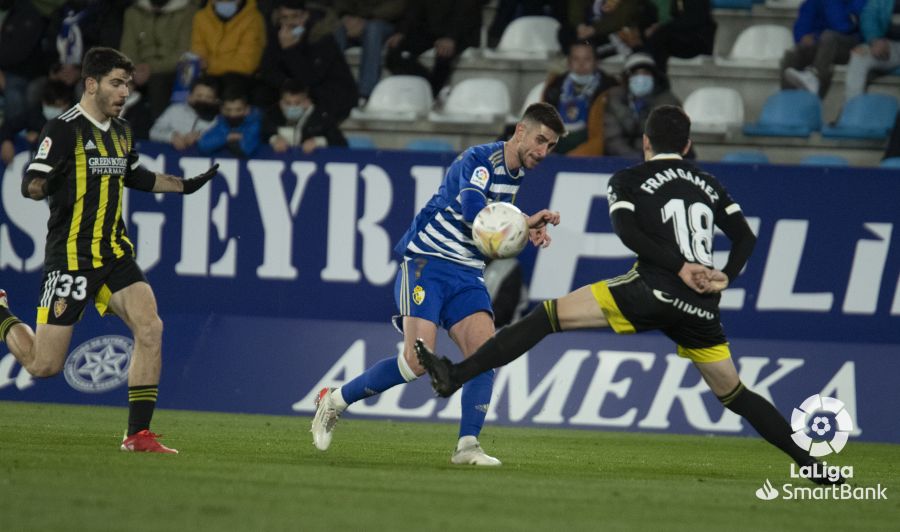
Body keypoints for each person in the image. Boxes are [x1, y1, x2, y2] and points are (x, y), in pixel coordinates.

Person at [415, 105, 843, 485]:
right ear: (688, 144)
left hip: (653, 288)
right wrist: (725, 276)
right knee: (735, 393)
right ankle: (810, 463)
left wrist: (676, 267)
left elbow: (627, 231)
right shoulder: (708, 183)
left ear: (645, 142)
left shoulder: (630, 178)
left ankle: (455, 377)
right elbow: (745, 238)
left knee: (545, 317)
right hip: (700, 307)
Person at [310, 103, 566, 465]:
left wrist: (526, 224)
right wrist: (517, 225)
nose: (543, 152)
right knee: (415, 362)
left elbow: (493, 222)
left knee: (486, 355)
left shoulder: (514, 173)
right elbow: (473, 209)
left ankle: (467, 446)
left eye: (551, 146)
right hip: (427, 264)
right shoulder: (479, 160)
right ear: (520, 131)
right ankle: (333, 400)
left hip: (466, 271)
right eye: (540, 140)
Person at [0, 47, 219, 453]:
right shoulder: (62, 129)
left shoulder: (121, 130)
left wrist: (182, 185)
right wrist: (43, 184)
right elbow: (31, 181)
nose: (124, 92)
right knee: (44, 366)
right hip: (70, 259)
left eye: (128, 85)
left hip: (114, 253)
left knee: (150, 328)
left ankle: (138, 435)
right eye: (116, 84)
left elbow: (133, 174)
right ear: (91, 84)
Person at [256, 0, 357, 120]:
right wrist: (287, 85)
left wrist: (290, 50)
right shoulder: (276, 33)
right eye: (285, 17)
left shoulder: (320, 35)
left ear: (306, 15)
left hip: (326, 91)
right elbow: (268, 69)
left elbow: (311, 77)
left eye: (295, 16)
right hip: (290, 88)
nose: (290, 22)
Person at [384, 0, 482, 97]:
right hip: (430, 28)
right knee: (394, 54)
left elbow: (466, 11)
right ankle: (429, 86)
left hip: (462, 31)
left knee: (444, 55)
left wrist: (451, 37)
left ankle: (432, 95)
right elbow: (413, 8)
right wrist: (401, 32)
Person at [119, 0, 198, 119]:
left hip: (172, 68)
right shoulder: (133, 12)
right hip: (138, 68)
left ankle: (159, 129)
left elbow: (183, 52)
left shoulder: (187, 11)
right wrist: (133, 69)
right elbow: (127, 48)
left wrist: (151, 68)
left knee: (158, 82)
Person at [542, 41, 617, 156]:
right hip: (556, 148)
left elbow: (604, 136)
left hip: (592, 151)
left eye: (587, 59)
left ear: (596, 62)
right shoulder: (554, 86)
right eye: (576, 59)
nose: (581, 64)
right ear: (568, 62)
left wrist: (572, 158)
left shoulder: (610, 88)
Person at [780, 0, 865, 98]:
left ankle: (815, 80)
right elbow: (804, 19)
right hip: (822, 43)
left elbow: (842, 26)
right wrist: (803, 36)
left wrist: (816, 37)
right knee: (793, 54)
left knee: (828, 37)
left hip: (851, 45)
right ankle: (787, 102)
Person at [603, 52, 681, 158]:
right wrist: (631, 158)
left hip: (657, 161)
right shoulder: (614, 100)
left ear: (655, 77)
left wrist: (647, 160)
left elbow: (666, 139)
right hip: (620, 160)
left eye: (646, 73)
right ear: (627, 78)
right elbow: (612, 138)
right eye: (636, 74)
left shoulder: (668, 103)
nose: (641, 78)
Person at [333, 0, 406, 104]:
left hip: (384, 22)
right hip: (355, 21)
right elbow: (342, 5)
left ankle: (365, 93)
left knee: (372, 28)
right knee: (337, 29)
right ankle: (333, 87)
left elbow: (396, 6)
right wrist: (346, 17)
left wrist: (365, 19)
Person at [261, 79, 347, 153]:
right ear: (281, 103)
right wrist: (274, 139)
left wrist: (317, 142)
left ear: (307, 102)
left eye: (297, 103)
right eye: (288, 103)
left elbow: (341, 143)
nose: (292, 107)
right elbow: (260, 136)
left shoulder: (321, 118)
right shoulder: (271, 116)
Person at [1, 81, 73, 165]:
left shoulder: (73, 119)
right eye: (50, 105)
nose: (54, 109)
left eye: (58, 106)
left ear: (67, 105)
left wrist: (38, 138)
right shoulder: (34, 113)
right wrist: (6, 141)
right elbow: (9, 126)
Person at [843, 0, 900, 104]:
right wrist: (874, 39)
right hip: (889, 47)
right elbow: (868, 15)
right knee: (859, 56)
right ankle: (852, 112)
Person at [150, 75, 220, 150]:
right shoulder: (175, 110)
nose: (203, 100)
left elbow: (222, 139)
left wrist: (202, 137)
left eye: (208, 97)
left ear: (215, 101)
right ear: (190, 96)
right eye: (199, 96)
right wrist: (171, 137)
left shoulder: (218, 120)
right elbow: (153, 132)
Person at [197, 86, 262, 157]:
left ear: (247, 109)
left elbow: (246, 149)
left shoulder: (255, 124)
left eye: (238, 110)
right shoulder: (221, 124)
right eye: (228, 110)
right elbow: (203, 145)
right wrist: (227, 137)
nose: (233, 114)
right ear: (222, 110)